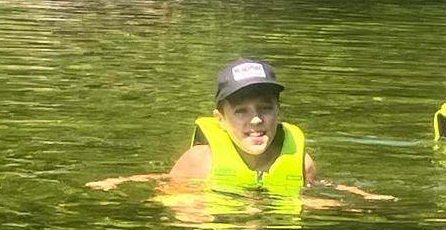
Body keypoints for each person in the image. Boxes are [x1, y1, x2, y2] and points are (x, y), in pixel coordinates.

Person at [90, 58, 321, 194]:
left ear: (279, 111)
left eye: (265, 108)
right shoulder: (200, 160)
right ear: (220, 118)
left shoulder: (302, 163)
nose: (256, 119)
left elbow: (314, 193)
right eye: (241, 111)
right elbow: (168, 190)